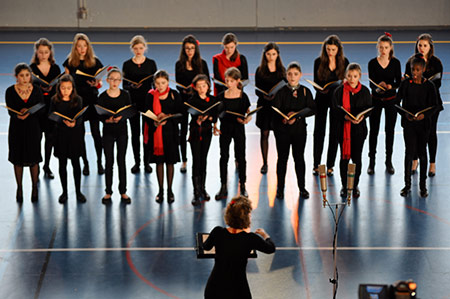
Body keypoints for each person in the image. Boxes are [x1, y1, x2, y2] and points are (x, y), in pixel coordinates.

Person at [203, 196, 276, 299]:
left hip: (214, 288)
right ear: (246, 217)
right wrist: (265, 235)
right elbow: (271, 248)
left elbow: (206, 247)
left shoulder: (217, 231)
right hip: (238, 289)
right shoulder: (250, 238)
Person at [272, 62, 315, 200]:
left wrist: (297, 116)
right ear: (286, 75)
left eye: (295, 74)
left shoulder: (305, 91)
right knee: (282, 160)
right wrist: (284, 119)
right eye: (289, 74)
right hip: (283, 132)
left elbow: (312, 109)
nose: (292, 77)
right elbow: (276, 110)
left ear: (300, 75)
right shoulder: (280, 92)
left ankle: (302, 188)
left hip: (299, 131)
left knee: (299, 159)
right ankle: (280, 189)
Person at [63, 33, 104, 176]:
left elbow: (100, 82)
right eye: (79, 46)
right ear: (75, 47)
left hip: (92, 100)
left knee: (96, 133)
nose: (82, 49)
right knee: (79, 135)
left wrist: (97, 83)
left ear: (88, 47)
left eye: (84, 46)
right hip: (78, 102)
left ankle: (99, 162)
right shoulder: (69, 63)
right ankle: (85, 163)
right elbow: (66, 82)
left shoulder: (95, 62)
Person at [397, 54, 438, 197]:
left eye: (418, 70)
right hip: (409, 124)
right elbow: (397, 103)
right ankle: (407, 185)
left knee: (422, 153)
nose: (415, 73)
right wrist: (405, 114)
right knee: (409, 153)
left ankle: (423, 187)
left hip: (423, 125)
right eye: (413, 70)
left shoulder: (429, 86)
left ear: (423, 70)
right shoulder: (405, 84)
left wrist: (424, 115)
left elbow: (435, 106)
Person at [405, 33, 443, 177]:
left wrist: (422, 83)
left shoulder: (436, 63)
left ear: (430, 47)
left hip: (431, 104)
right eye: (420, 45)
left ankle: (432, 163)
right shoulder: (411, 61)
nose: (421, 48)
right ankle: (415, 161)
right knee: (415, 133)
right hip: (414, 104)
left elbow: (437, 83)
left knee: (431, 133)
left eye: (425, 45)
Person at [332, 63, 372, 198]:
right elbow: (335, 110)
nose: (352, 79)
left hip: (359, 131)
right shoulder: (338, 92)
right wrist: (345, 116)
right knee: (344, 159)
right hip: (342, 131)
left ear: (359, 76)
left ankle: (354, 186)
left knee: (356, 159)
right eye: (349, 76)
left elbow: (369, 109)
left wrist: (361, 117)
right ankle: (344, 186)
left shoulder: (365, 91)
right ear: (345, 76)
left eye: (355, 76)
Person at [143, 70, 183, 204]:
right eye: (157, 83)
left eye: (163, 83)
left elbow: (180, 113)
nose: (160, 86)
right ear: (154, 83)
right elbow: (146, 114)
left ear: (167, 82)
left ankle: (170, 190)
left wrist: (167, 117)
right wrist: (154, 122)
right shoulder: (150, 96)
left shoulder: (174, 95)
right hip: (156, 134)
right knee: (159, 162)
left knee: (170, 162)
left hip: (170, 134)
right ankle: (160, 190)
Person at [6, 63, 44, 202]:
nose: (25, 78)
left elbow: (41, 108)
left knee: (34, 159)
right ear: (16, 77)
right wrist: (18, 115)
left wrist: (29, 114)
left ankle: (34, 187)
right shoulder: (10, 91)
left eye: (27, 75)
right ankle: (19, 187)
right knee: (18, 159)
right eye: (21, 76)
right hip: (17, 129)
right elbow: (11, 110)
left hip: (33, 128)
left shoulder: (37, 90)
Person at [312, 35, 349, 177]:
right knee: (319, 132)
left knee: (334, 133)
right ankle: (316, 164)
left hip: (336, 101)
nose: (330, 52)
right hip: (321, 98)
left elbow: (346, 82)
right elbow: (316, 81)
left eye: (333, 49)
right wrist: (320, 89)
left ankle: (330, 165)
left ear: (338, 50)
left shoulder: (344, 62)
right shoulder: (318, 62)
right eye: (328, 49)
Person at [367, 33, 402, 175]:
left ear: (390, 48)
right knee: (373, 131)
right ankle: (372, 162)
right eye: (381, 47)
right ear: (377, 47)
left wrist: (390, 86)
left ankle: (389, 161)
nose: (383, 50)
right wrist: (377, 87)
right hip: (375, 100)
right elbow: (371, 83)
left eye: (386, 47)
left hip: (390, 101)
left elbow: (398, 82)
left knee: (390, 131)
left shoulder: (395, 63)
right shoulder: (372, 63)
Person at [49, 74, 86, 203]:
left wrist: (75, 123)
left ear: (72, 88)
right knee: (62, 164)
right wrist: (60, 120)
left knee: (76, 164)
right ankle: (64, 192)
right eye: (63, 88)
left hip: (74, 136)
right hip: (60, 136)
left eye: (68, 88)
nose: (66, 91)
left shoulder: (78, 100)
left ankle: (78, 191)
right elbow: (51, 115)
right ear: (59, 88)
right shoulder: (55, 100)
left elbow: (81, 117)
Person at [175, 34, 210, 174]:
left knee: (197, 130)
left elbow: (207, 83)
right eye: (187, 49)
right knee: (182, 131)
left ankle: (199, 157)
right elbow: (178, 84)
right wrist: (184, 89)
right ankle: (184, 160)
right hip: (184, 102)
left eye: (192, 48)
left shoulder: (203, 64)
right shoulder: (179, 64)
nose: (189, 51)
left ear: (196, 49)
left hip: (198, 102)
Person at [122, 35, 157, 174]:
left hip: (147, 102)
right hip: (133, 102)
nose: (138, 50)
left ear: (145, 48)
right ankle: (137, 162)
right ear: (132, 49)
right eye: (135, 48)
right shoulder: (127, 64)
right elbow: (124, 84)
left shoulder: (151, 63)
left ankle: (147, 162)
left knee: (147, 133)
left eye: (141, 48)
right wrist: (131, 85)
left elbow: (155, 84)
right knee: (135, 133)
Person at [215, 67, 251, 200]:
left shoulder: (243, 96)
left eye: (231, 81)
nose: (228, 83)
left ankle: (243, 185)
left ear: (237, 81)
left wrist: (247, 118)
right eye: (226, 81)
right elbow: (216, 113)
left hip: (238, 129)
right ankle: (223, 185)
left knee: (241, 157)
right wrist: (215, 125)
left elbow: (248, 112)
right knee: (223, 156)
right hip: (225, 129)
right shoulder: (221, 96)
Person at [98, 68, 132, 204]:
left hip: (122, 131)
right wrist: (107, 120)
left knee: (121, 161)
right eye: (112, 79)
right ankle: (108, 191)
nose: (114, 81)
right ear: (107, 80)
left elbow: (129, 111)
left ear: (120, 81)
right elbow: (99, 115)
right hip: (108, 132)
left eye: (117, 79)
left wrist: (121, 117)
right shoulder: (102, 97)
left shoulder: (125, 95)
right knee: (109, 162)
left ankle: (123, 191)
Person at [30, 38, 61, 180]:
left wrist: (51, 88)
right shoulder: (32, 69)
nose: (43, 55)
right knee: (36, 138)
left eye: (46, 52)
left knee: (50, 138)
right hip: (38, 108)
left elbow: (59, 90)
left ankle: (47, 166)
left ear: (50, 53)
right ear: (36, 53)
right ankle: (35, 164)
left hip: (51, 108)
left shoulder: (55, 69)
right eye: (40, 52)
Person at [186, 75, 219, 206]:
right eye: (198, 86)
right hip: (195, 132)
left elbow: (215, 115)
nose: (201, 88)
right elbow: (191, 113)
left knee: (203, 159)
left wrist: (209, 119)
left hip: (206, 132)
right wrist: (198, 119)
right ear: (195, 87)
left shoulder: (213, 100)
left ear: (208, 86)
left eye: (204, 86)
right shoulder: (192, 100)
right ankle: (196, 191)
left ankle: (203, 189)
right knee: (196, 160)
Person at [254, 42, 286, 174]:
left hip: (277, 107)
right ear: (265, 55)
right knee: (264, 134)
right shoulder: (260, 70)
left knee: (279, 136)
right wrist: (264, 95)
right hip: (264, 106)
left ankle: (280, 161)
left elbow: (285, 88)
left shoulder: (282, 70)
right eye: (268, 54)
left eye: (273, 54)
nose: (271, 57)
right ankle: (265, 163)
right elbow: (256, 90)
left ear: (277, 55)